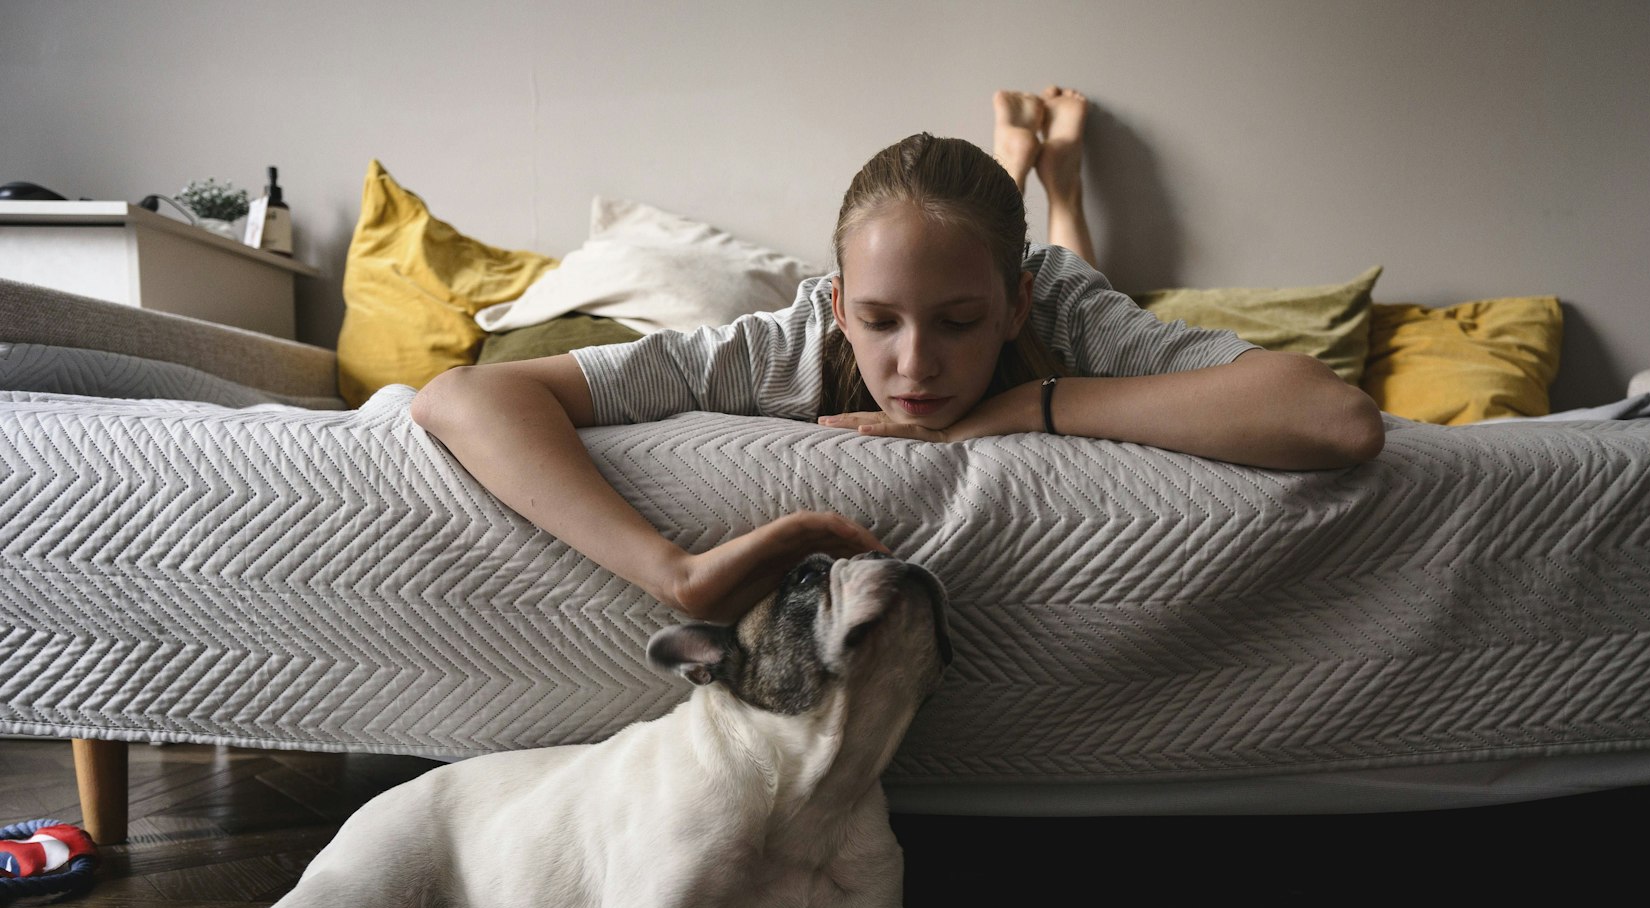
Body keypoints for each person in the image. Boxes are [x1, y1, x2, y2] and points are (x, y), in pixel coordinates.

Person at [412, 88, 1384, 625]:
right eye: (878, 320)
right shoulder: (787, 340)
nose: (914, 364)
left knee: (1070, 267)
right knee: (957, 252)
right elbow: (461, 395)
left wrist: (1020, 407)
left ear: (1012, 308)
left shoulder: (1065, 312)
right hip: (985, 283)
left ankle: (1054, 180)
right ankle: (1020, 165)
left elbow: (1335, 418)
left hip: (1049, 292)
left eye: (959, 322)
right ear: (837, 304)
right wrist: (674, 572)